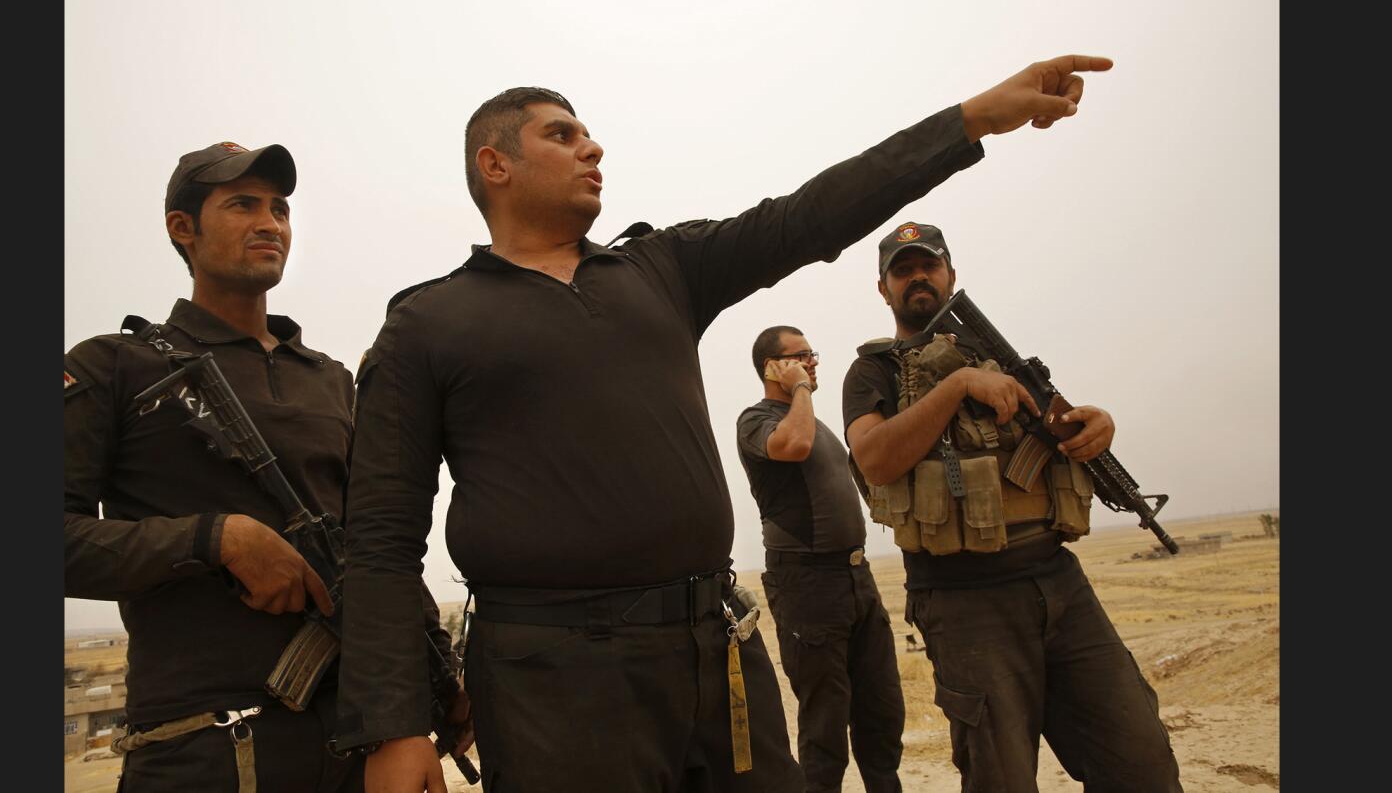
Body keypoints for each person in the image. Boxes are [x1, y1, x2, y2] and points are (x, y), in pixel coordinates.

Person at [336, 54, 1115, 793]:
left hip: (718, 649)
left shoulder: (660, 269)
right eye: (561, 134)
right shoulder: (428, 323)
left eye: (588, 132)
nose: (592, 145)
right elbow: (378, 539)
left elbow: (805, 217)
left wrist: (971, 121)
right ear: (494, 164)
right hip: (550, 678)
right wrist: (393, 725)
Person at [64, 141, 366, 792]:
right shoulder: (114, 367)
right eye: (242, 204)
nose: (270, 222)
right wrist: (215, 539)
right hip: (200, 750)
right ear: (183, 228)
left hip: (352, 746)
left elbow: (377, 547)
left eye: (280, 208)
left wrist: (434, 691)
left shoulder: (332, 382)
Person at [841, 220, 1182, 792]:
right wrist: (955, 388)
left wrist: (1097, 426)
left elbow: (1058, 435)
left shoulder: (1000, 360)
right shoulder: (872, 372)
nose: (918, 277)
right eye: (903, 271)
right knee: (1001, 779)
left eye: (929, 265)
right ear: (884, 289)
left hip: (1059, 583)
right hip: (966, 601)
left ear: (951, 274)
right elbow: (874, 459)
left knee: (1140, 759)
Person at [735, 326, 903, 793]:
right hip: (808, 585)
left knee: (882, 715)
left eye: (812, 355)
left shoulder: (814, 420)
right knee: (826, 726)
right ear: (772, 367)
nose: (812, 364)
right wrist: (801, 390)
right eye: (800, 356)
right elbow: (793, 447)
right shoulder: (756, 420)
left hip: (855, 576)